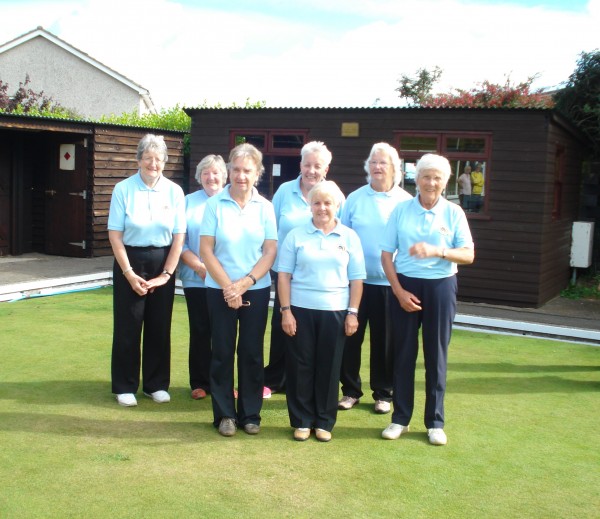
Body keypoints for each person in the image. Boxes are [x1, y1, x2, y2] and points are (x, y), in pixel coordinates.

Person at [380, 153, 474, 445]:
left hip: (441, 287)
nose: (431, 182)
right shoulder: (401, 210)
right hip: (406, 286)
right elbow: (386, 255)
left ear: (444, 182)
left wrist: (438, 251)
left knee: (436, 355)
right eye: (425, 176)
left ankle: (435, 421)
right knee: (404, 354)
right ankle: (400, 419)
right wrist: (398, 290)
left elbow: (468, 254)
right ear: (416, 179)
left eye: (437, 178)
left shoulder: (454, 213)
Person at [278, 180, 365, 442]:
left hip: (336, 311)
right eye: (317, 202)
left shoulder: (349, 236)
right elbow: (283, 276)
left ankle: (324, 422)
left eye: (328, 203)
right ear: (309, 205)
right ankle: (302, 420)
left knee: (329, 367)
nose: (322, 208)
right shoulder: (296, 235)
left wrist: (353, 312)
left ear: (337, 205)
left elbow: (357, 279)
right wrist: (286, 311)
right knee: (301, 366)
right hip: (301, 310)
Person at [200, 143, 277, 437]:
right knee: (221, 352)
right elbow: (206, 250)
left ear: (257, 173)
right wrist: (229, 288)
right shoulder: (214, 205)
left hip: (255, 288)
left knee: (251, 353)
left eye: (247, 170)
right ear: (229, 170)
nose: (241, 176)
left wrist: (245, 283)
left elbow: (270, 251)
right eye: (236, 169)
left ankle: (250, 414)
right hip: (218, 289)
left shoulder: (266, 207)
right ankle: (224, 416)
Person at [108, 134, 186, 407]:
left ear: (164, 161)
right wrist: (129, 273)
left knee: (159, 326)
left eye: (159, 158)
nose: (154, 163)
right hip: (130, 260)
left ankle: (155, 385)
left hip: (163, 261)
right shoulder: (123, 189)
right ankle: (124, 385)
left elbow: (179, 236)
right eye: (148, 158)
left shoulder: (174, 191)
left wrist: (166, 274)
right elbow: (115, 235)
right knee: (128, 326)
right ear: (139, 159)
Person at [264, 141, 343, 395]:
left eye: (317, 166)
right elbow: (271, 230)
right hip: (285, 273)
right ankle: (275, 380)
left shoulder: (334, 194)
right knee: (282, 326)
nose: (311, 170)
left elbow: (343, 231)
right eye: (307, 164)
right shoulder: (284, 192)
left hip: (319, 278)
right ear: (300, 165)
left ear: (326, 168)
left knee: (310, 333)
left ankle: (308, 382)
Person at [338, 143, 412, 414]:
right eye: (373, 162)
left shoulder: (405, 202)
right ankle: (350, 391)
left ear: (395, 168)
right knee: (350, 339)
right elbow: (342, 236)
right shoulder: (355, 199)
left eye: (383, 163)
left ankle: (384, 393)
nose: (377, 167)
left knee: (385, 343)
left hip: (389, 285)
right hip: (356, 283)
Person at [179, 154, 227, 400]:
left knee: (224, 332)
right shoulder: (188, 202)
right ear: (199, 177)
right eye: (206, 173)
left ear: (224, 176)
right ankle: (200, 382)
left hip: (226, 283)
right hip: (196, 279)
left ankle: (223, 383)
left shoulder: (231, 201)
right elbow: (181, 242)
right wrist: (199, 267)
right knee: (200, 330)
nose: (211, 177)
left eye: (216, 172)